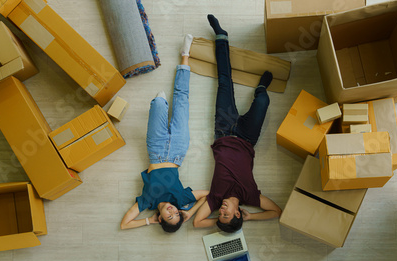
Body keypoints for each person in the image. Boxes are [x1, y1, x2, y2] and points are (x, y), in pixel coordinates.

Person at [193, 15, 282, 233]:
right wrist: (251, 218)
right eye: (226, 214)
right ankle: (261, 88)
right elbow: (276, 212)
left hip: (223, 130)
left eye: (219, 215)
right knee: (263, 100)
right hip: (246, 137)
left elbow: (196, 222)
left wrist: (218, 221)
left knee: (224, 81)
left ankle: (221, 36)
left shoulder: (215, 198)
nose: (220, 211)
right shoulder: (249, 196)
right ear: (238, 212)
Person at [121, 34, 208, 232]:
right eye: (176, 214)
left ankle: (160, 104)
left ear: (161, 219)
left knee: (159, 103)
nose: (173, 211)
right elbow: (209, 195)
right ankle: (185, 55)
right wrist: (190, 213)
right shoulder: (180, 200)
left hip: (156, 149)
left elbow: (124, 224)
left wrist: (148, 221)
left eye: (169, 216)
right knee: (182, 99)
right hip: (178, 149)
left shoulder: (147, 202)